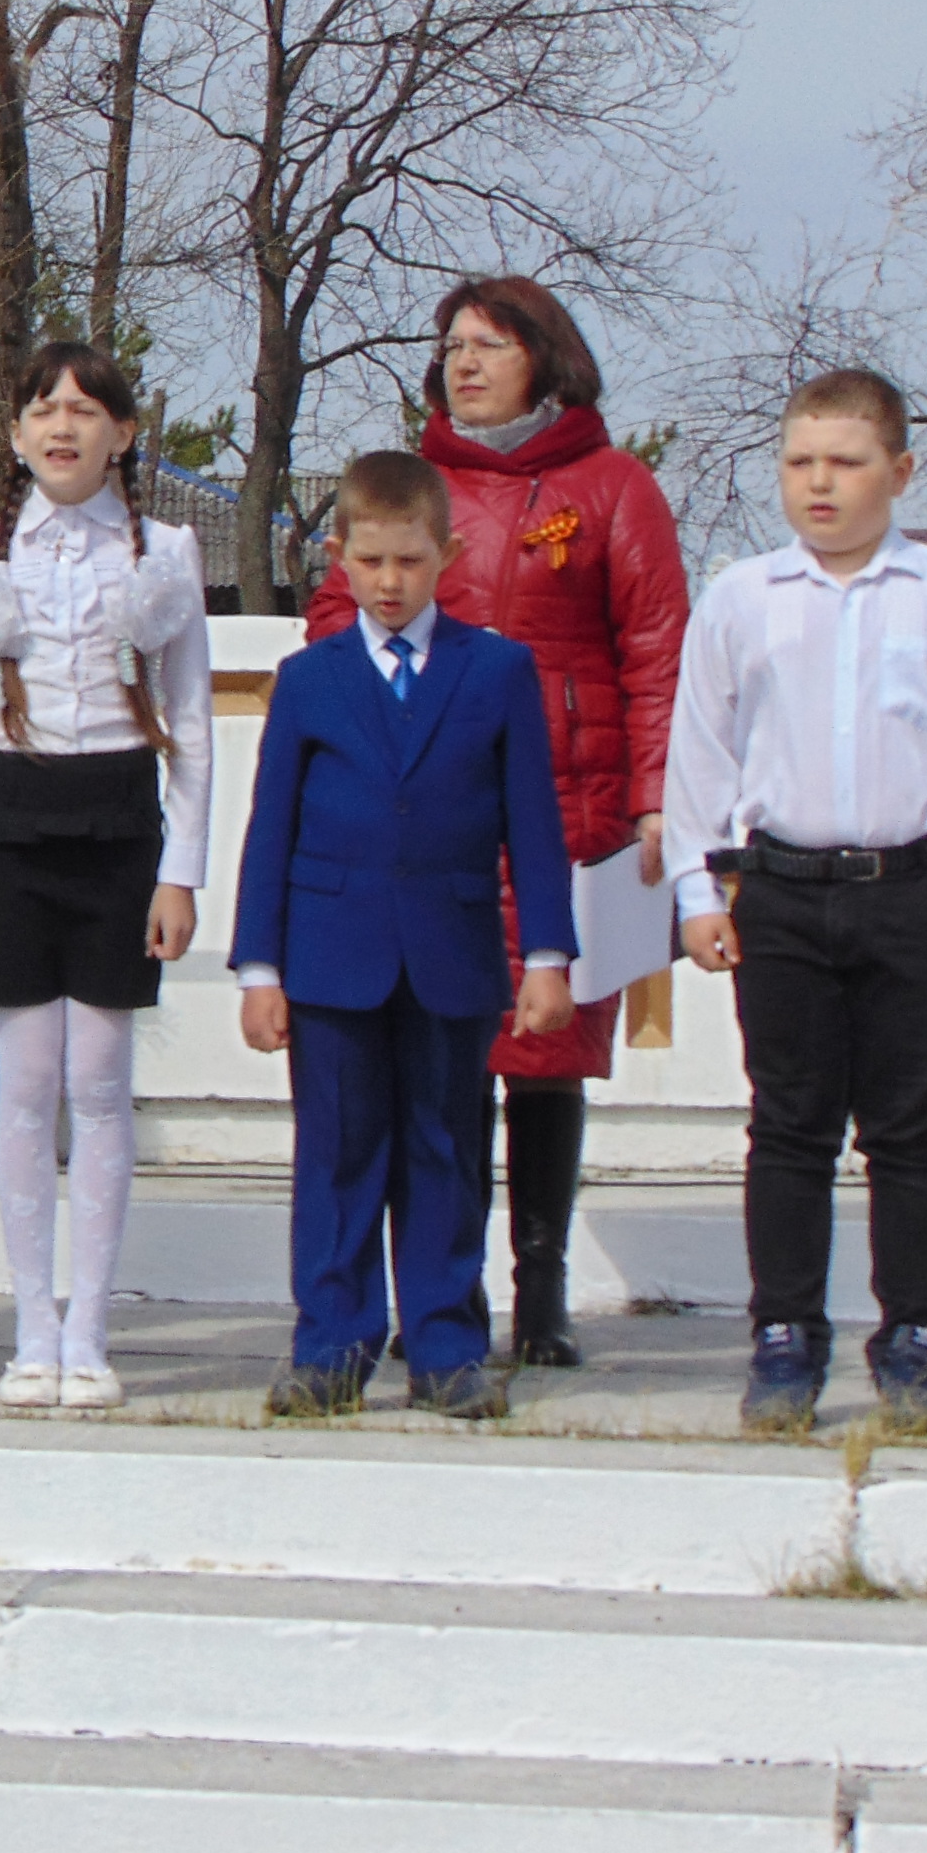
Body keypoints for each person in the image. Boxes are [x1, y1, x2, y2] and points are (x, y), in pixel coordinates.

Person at [301, 275, 687, 1367]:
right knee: (447, 1056)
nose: (464, 364)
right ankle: (448, 1290)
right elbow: (332, 623)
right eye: (453, 347)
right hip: (436, 819)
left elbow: (656, 647)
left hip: (568, 809)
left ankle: (543, 1288)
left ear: (545, 358)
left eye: (489, 345)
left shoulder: (613, 486)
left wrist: (656, 794)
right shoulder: (414, 490)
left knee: (548, 1053)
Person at [662, 369, 927, 1435]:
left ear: (900, 470)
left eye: (845, 462)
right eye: (800, 462)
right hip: (783, 892)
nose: (819, 483)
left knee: (912, 1126)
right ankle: (785, 1334)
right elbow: (701, 754)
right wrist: (698, 887)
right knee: (788, 1124)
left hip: (918, 890)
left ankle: (914, 1333)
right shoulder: (744, 597)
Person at [232, 452, 576, 1422]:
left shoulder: (496, 670)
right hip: (330, 957)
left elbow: (533, 825)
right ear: (339, 554)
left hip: (451, 953)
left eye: (411, 562)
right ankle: (331, 1345)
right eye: (372, 560)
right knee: (337, 1155)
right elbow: (271, 829)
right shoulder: (309, 680)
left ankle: (446, 1346)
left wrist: (547, 956)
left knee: (445, 1151)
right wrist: (259, 967)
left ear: (448, 555)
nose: (390, 582)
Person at [0, 343, 212, 1413]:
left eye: (87, 410)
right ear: (15, 434)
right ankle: (31, 1328)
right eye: (43, 408)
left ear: (123, 435)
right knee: (25, 1080)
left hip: (118, 821)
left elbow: (191, 722)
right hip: (10, 820)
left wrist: (180, 871)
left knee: (98, 1080)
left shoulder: (166, 550)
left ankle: (89, 1329)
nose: (64, 426)